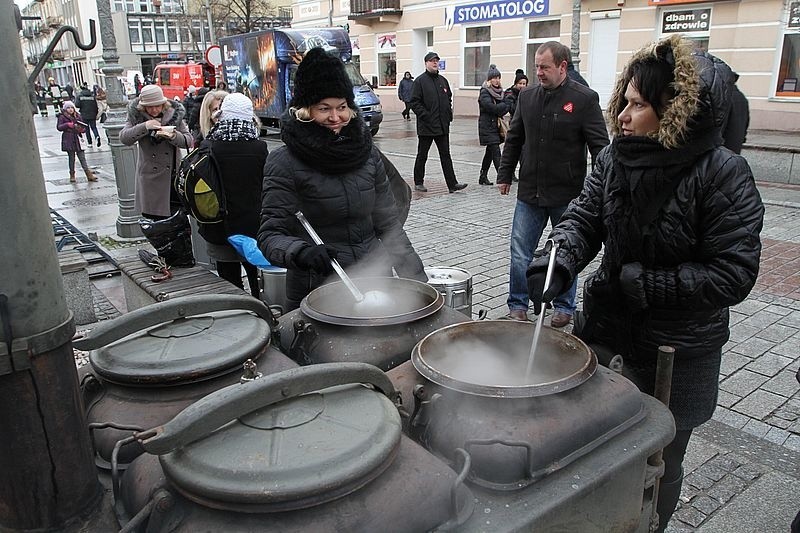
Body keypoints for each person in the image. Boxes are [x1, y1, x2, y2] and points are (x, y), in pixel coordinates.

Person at [525, 35, 764, 533]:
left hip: (680, 350)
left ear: (673, 111)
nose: (624, 116)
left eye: (638, 105)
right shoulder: (617, 158)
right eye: (625, 101)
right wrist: (558, 260)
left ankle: (650, 523)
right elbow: (583, 217)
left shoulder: (722, 173)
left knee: (662, 457)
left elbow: (734, 272)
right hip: (610, 325)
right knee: (590, 439)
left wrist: (650, 285)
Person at [258, 47, 427, 311]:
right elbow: (270, 235)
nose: (335, 117)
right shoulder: (284, 161)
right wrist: (301, 252)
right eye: (324, 108)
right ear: (305, 110)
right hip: (317, 288)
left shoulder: (367, 153)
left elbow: (389, 226)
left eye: (342, 107)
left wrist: (418, 283)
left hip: (374, 281)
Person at [497, 40, 609, 326]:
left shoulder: (584, 99)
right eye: (536, 66)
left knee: (565, 253)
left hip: (568, 195)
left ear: (562, 66)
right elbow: (515, 138)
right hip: (530, 192)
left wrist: (602, 189)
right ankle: (518, 304)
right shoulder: (527, 97)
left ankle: (564, 306)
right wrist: (505, 173)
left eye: (544, 67)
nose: (539, 73)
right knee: (520, 251)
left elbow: (600, 148)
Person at [198, 92, 267, 297]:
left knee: (229, 281)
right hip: (254, 226)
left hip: (220, 226)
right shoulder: (259, 147)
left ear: (223, 115)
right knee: (257, 278)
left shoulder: (209, 146)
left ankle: (239, 320)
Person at [120, 84, 192, 219]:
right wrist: (145, 126)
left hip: (172, 177)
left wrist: (173, 136)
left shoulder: (174, 116)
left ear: (163, 104)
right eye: (149, 107)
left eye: (157, 106)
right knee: (156, 223)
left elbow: (189, 140)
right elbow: (125, 138)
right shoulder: (137, 117)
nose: (154, 110)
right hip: (150, 180)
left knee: (178, 221)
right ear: (143, 107)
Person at [409, 51, 467, 193]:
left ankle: (452, 184)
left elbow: (448, 98)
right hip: (427, 126)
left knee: (446, 155)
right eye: (432, 61)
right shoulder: (419, 81)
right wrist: (426, 116)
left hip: (442, 126)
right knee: (422, 154)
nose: (435, 63)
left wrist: (448, 116)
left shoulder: (442, 80)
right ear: (426, 63)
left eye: (436, 60)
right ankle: (418, 181)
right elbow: (414, 102)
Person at [477, 64, 510, 186]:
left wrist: (500, 108)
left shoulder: (501, 92)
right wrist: (500, 108)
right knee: (496, 151)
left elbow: (507, 106)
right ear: (489, 80)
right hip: (487, 126)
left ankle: (483, 176)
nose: (497, 80)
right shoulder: (485, 92)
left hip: (496, 127)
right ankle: (502, 179)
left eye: (498, 78)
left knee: (490, 152)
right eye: (494, 78)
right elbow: (491, 108)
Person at [56, 101, 97, 183]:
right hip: (69, 139)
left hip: (78, 139)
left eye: (71, 107)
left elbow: (83, 127)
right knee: (71, 158)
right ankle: (72, 175)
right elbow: (59, 127)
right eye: (68, 108)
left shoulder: (77, 116)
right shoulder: (62, 117)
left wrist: (82, 129)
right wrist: (67, 125)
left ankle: (88, 174)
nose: (70, 109)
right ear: (65, 109)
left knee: (82, 158)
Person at [722, 72, 749, 154]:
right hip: (737, 140)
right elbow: (746, 120)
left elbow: (722, 121)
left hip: (725, 142)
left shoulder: (726, 96)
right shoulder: (742, 97)